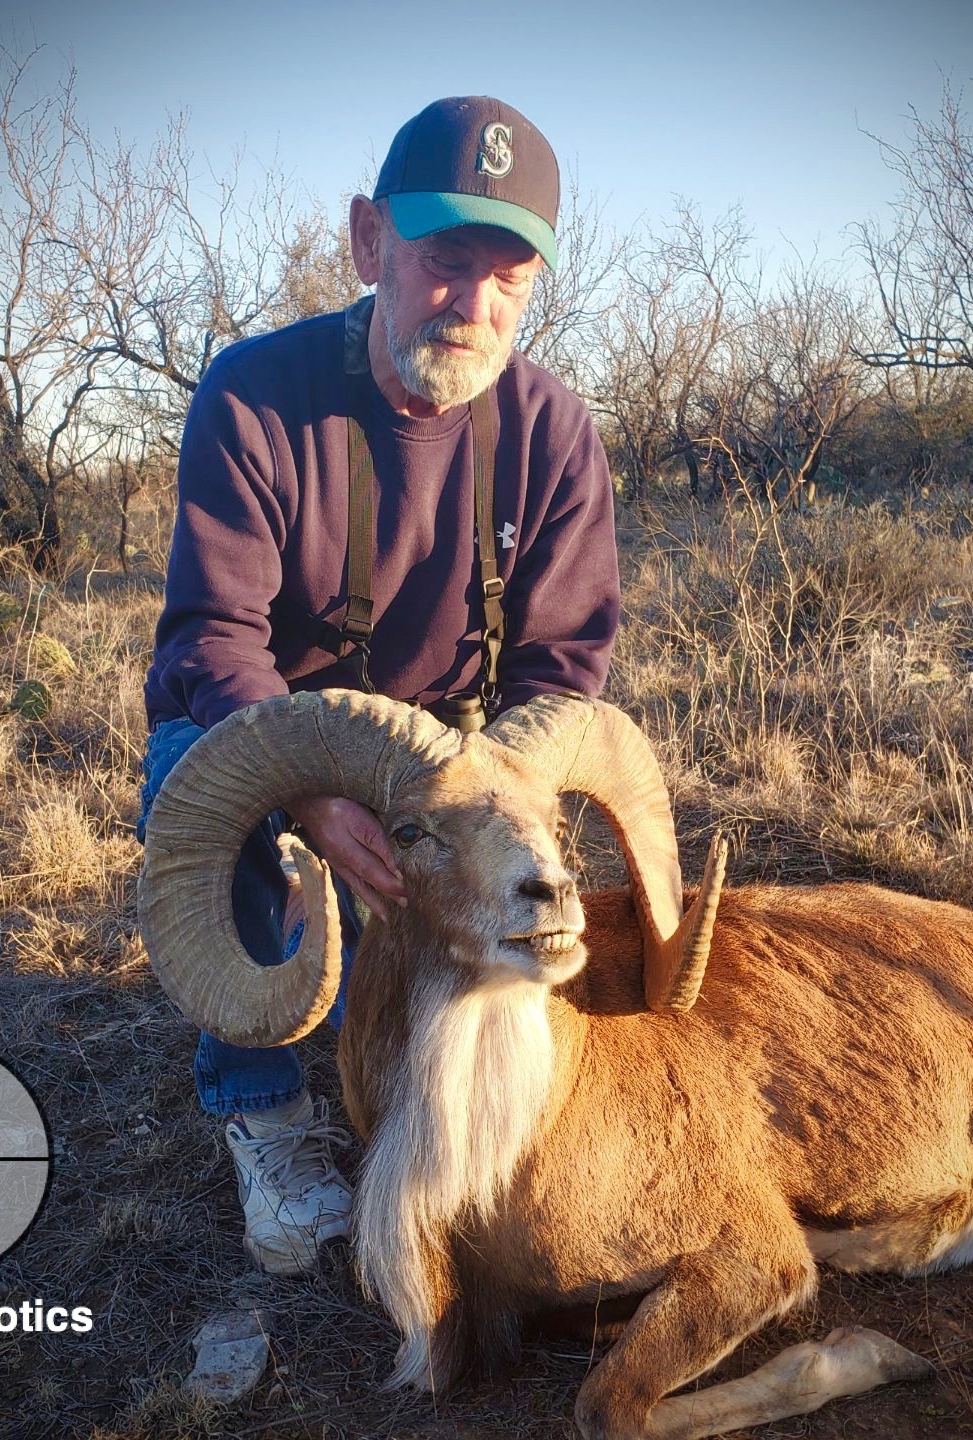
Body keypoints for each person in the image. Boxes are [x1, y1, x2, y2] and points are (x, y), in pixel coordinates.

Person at [139, 96, 620, 1275]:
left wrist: (484, 805)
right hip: (290, 740)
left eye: (509, 278)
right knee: (191, 768)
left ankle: (465, 1054)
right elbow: (211, 632)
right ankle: (263, 1108)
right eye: (444, 262)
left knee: (545, 854)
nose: (475, 304)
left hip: (465, 756)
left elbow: (565, 666)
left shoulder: (554, 431)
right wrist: (307, 800)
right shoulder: (255, 395)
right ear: (369, 244)